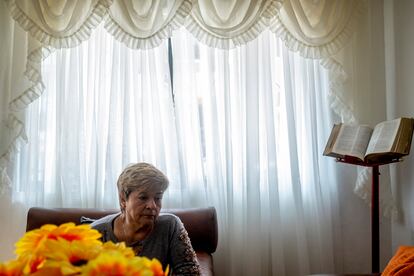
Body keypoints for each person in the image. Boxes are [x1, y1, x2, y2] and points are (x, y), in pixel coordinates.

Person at [91, 162, 201, 275]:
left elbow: (191, 272)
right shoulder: (96, 233)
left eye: (158, 198)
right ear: (123, 199)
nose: (152, 206)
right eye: (143, 197)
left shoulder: (170, 226)